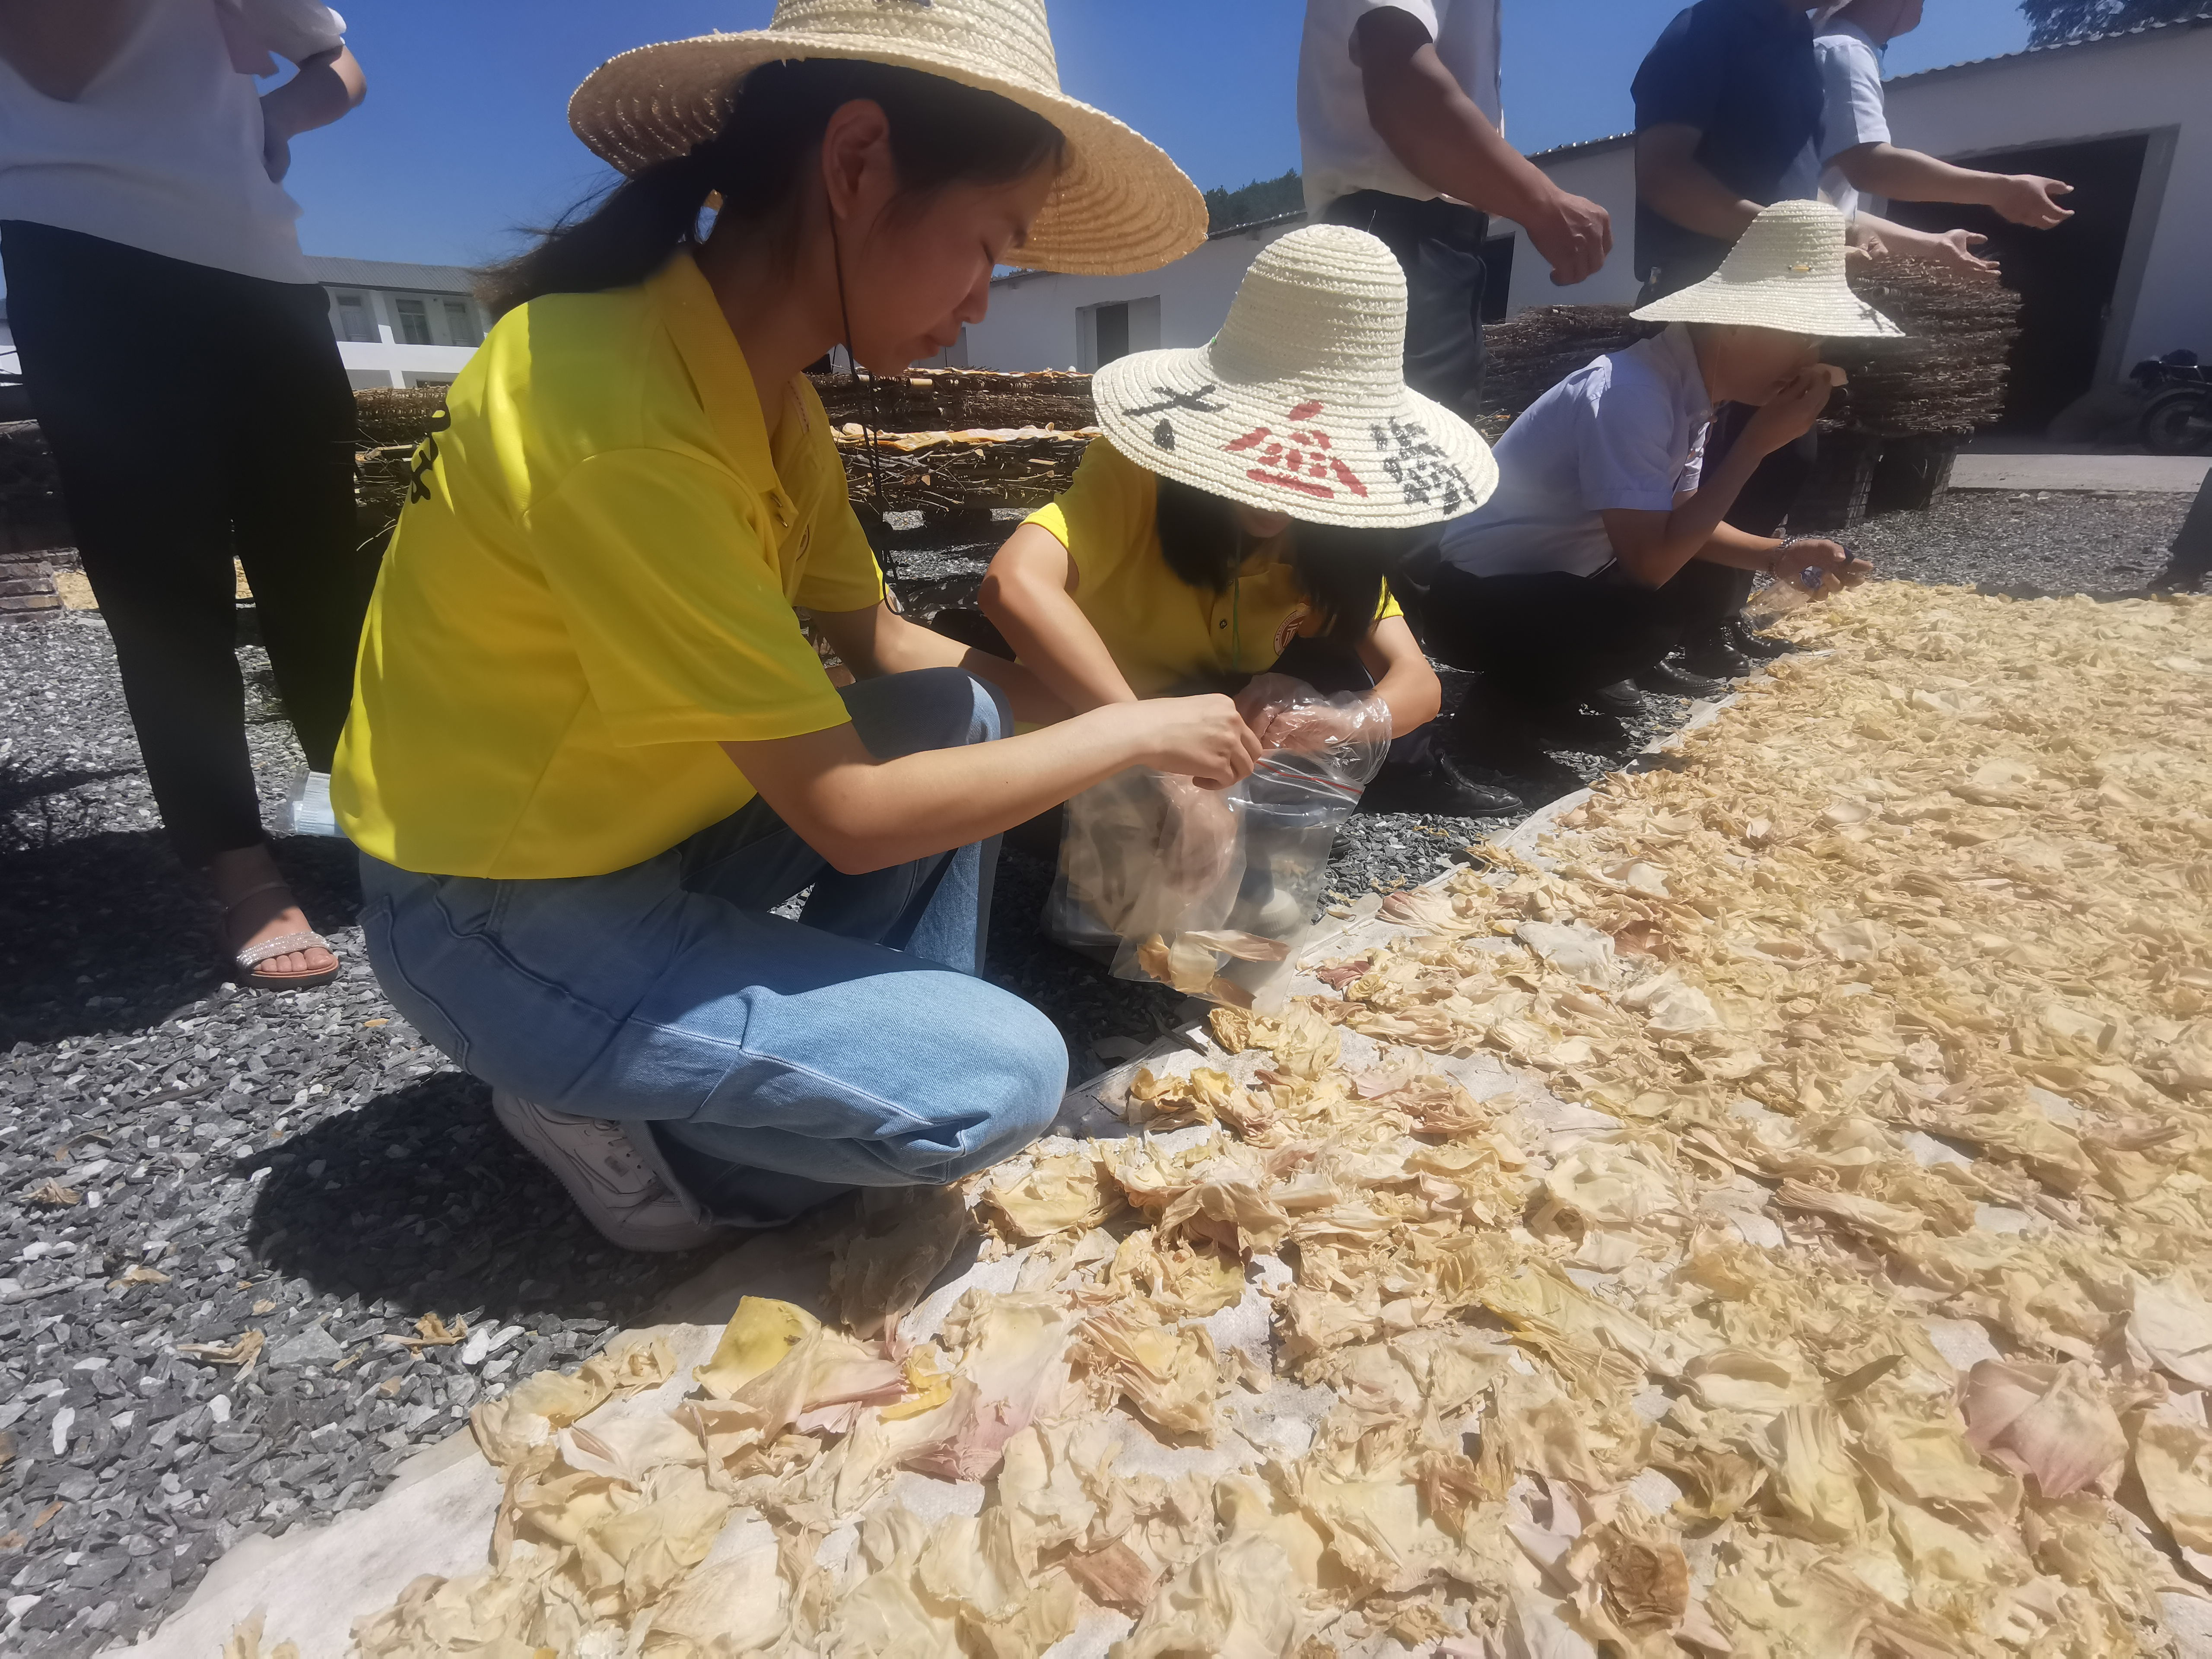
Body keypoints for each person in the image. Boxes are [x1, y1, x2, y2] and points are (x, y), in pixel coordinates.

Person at [331, 0, 1244, 1252]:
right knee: (1002, 1085)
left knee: (954, 711)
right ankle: (622, 1121)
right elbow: (849, 822)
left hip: (643, 844)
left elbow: (880, 639)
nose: (983, 299)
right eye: (990, 242)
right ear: (858, 163)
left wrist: (1139, 732)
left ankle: (847, 1062)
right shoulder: (619, 413)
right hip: (493, 914)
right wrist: (1134, 738)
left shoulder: (763, 398)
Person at [0, 0, 371, 989]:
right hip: (83, 254)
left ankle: (380, 806)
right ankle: (235, 859)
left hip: (266, 269)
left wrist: (271, 121)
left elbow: (337, 64)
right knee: (164, 590)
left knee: (324, 571)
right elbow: (62, 61)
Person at [982, 225, 1513, 824]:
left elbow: (1418, 683)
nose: (1275, 497)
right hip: (1082, 726)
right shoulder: (1140, 470)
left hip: (1197, 739)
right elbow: (1014, 585)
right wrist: (1150, 743)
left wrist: (1339, 720)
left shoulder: (1335, 537)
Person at [1426, 202, 1890, 778]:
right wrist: (1754, 447)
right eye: (1798, 336)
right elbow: (1649, 564)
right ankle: (1494, 721)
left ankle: (1544, 699)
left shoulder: (1681, 391)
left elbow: (1679, 511)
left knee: (1656, 594)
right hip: (1467, 602)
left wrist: (1778, 556)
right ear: (1733, 322)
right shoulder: (1633, 395)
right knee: (1649, 615)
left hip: (1529, 584)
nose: (1807, 359)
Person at [1297, 0, 1612, 426]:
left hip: (1427, 252)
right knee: (1396, 470)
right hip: (1394, 250)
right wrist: (1543, 204)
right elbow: (1401, 88)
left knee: (1420, 468)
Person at [1815, 0, 2075, 236]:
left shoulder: (1832, 48)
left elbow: (1834, 208)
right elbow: (1871, 167)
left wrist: (1934, 243)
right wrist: (2003, 190)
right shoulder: (1845, 51)